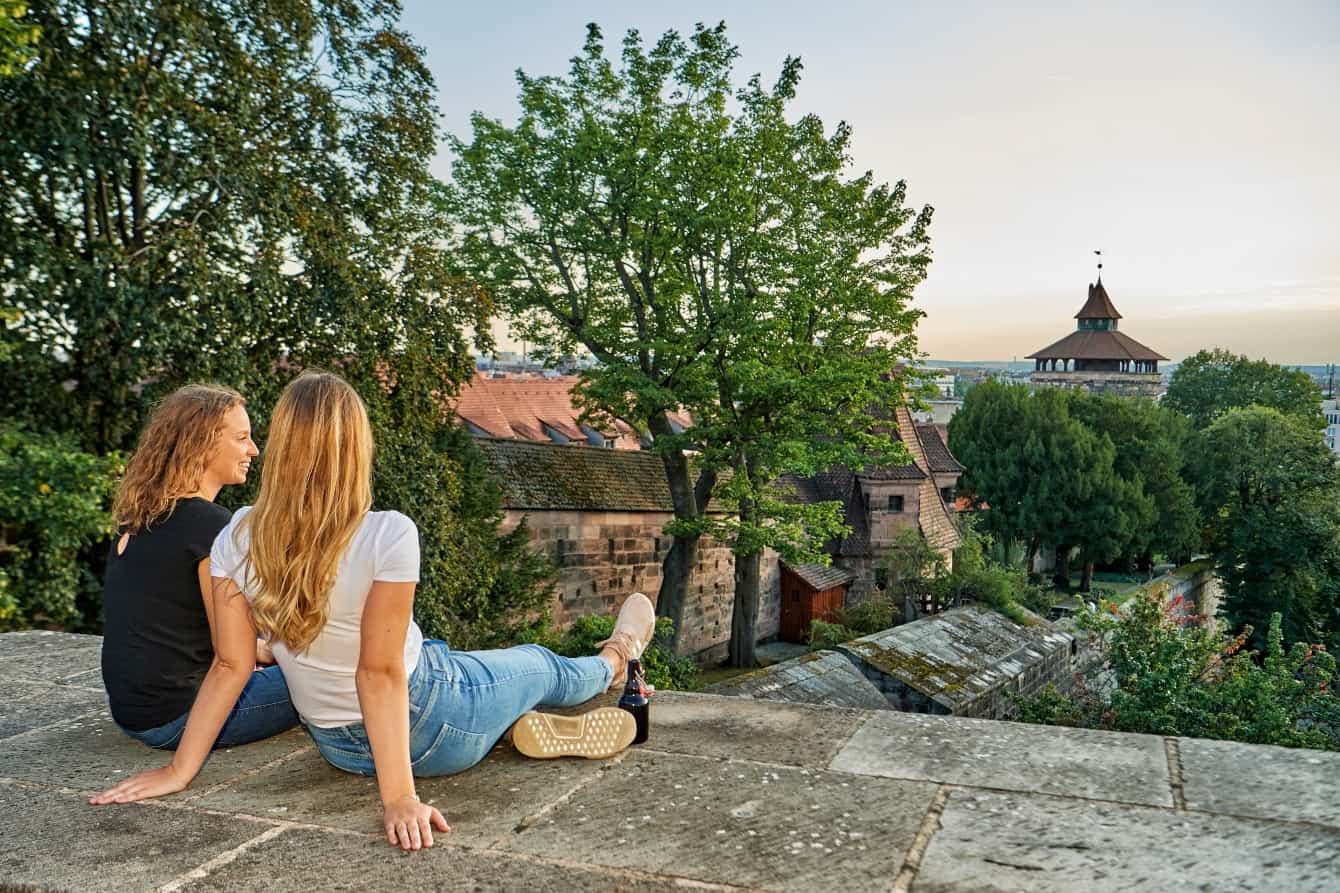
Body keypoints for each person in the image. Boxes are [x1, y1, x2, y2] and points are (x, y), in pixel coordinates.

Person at [92, 371, 655, 853]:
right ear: (355, 446)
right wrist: (400, 799)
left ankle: (510, 726)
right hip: (432, 722)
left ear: (284, 444)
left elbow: (229, 667)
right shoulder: (388, 533)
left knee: (445, 659)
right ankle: (616, 659)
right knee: (535, 662)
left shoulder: (236, 535)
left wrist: (178, 771)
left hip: (338, 747)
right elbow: (378, 673)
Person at [98, 384, 298, 751]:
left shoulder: (140, 518)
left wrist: (260, 650)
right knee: (329, 672)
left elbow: (177, 629)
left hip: (134, 713)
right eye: (242, 438)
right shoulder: (211, 526)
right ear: (202, 444)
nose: (253, 450)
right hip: (181, 717)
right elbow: (229, 655)